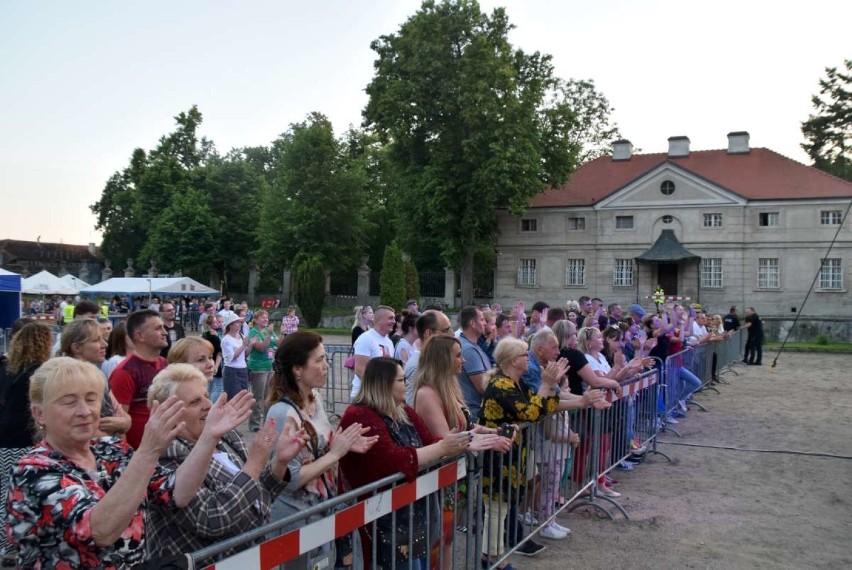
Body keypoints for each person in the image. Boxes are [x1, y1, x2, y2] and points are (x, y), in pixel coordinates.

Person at [5, 357, 250, 569]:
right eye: (69, 402)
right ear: (40, 414)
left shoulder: (109, 449)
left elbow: (177, 493)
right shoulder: (33, 470)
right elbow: (99, 531)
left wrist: (208, 437)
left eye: (91, 399)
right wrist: (148, 450)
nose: (85, 411)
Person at [146, 363, 307, 558]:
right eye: (195, 402)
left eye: (207, 395)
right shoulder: (165, 457)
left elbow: (253, 496)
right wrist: (255, 463)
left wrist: (279, 463)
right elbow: (212, 519)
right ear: (169, 414)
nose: (208, 405)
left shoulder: (226, 439)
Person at [339, 357, 471, 570]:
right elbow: (392, 460)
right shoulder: (361, 415)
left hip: (410, 513)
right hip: (381, 519)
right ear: (384, 384)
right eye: (401, 380)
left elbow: (427, 441)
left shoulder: (403, 410)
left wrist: (457, 442)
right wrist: (442, 448)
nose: (406, 384)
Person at [265, 331, 378, 569]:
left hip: (321, 512)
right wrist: (335, 453)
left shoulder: (315, 398)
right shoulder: (281, 413)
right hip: (295, 520)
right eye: (319, 360)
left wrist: (344, 444)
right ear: (297, 369)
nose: (326, 366)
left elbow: (320, 442)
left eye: (326, 359)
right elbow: (291, 478)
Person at [412, 336, 511, 570]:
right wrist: (486, 441)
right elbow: (448, 441)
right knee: (437, 539)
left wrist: (491, 431)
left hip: (455, 477)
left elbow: (464, 428)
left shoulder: (448, 388)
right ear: (442, 360)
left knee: (447, 538)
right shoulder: (427, 393)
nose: (463, 360)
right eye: (457, 355)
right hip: (438, 480)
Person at [0, 322, 53, 563]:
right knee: (18, 494)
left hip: (5, 435)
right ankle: (10, 546)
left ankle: (6, 545)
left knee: (6, 491)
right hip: (22, 437)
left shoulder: (11, 368)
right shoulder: (38, 372)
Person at [61, 318, 131, 438]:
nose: (105, 345)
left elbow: (124, 419)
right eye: (96, 340)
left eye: (103, 339)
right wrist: (120, 425)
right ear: (76, 348)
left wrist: (123, 423)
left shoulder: (98, 375)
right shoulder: (64, 381)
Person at [109, 309, 169, 449]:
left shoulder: (165, 363)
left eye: (163, 327)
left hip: (167, 445)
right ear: (140, 336)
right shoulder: (124, 372)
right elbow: (119, 422)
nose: (165, 332)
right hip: (141, 451)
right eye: (158, 328)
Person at [351, 305, 395, 401]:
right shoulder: (366, 338)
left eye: (394, 318)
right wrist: (377, 389)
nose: (394, 322)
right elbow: (359, 369)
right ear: (379, 320)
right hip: (365, 396)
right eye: (390, 318)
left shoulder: (389, 342)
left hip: (382, 396)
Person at [456, 306, 491, 422]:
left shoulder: (472, 346)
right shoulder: (468, 350)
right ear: (472, 323)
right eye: (482, 320)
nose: (485, 323)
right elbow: (482, 386)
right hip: (474, 414)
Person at [247, 310, 277, 432]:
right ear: (256, 319)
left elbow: (278, 342)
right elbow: (261, 348)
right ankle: (254, 424)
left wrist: (285, 333)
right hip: (258, 368)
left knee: (268, 397)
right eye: (263, 318)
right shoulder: (253, 332)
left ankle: (267, 423)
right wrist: (269, 335)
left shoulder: (268, 330)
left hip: (270, 366)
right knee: (258, 397)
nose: (266, 320)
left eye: (267, 317)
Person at [221, 313, 251, 403]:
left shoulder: (241, 336)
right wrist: (243, 345)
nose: (240, 324)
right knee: (234, 399)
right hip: (232, 370)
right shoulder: (226, 339)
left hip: (243, 369)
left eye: (240, 322)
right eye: (237, 322)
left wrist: (251, 345)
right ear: (230, 324)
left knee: (243, 397)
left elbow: (245, 354)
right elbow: (232, 357)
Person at [201, 314, 224, 402]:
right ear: (211, 324)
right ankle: (211, 404)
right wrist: (216, 366)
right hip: (214, 362)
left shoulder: (205, 334)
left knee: (209, 386)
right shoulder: (214, 336)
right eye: (215, 322)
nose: (217, 323)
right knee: (218, 387)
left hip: (208, 362)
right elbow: (219, 353)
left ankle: (205, 402)